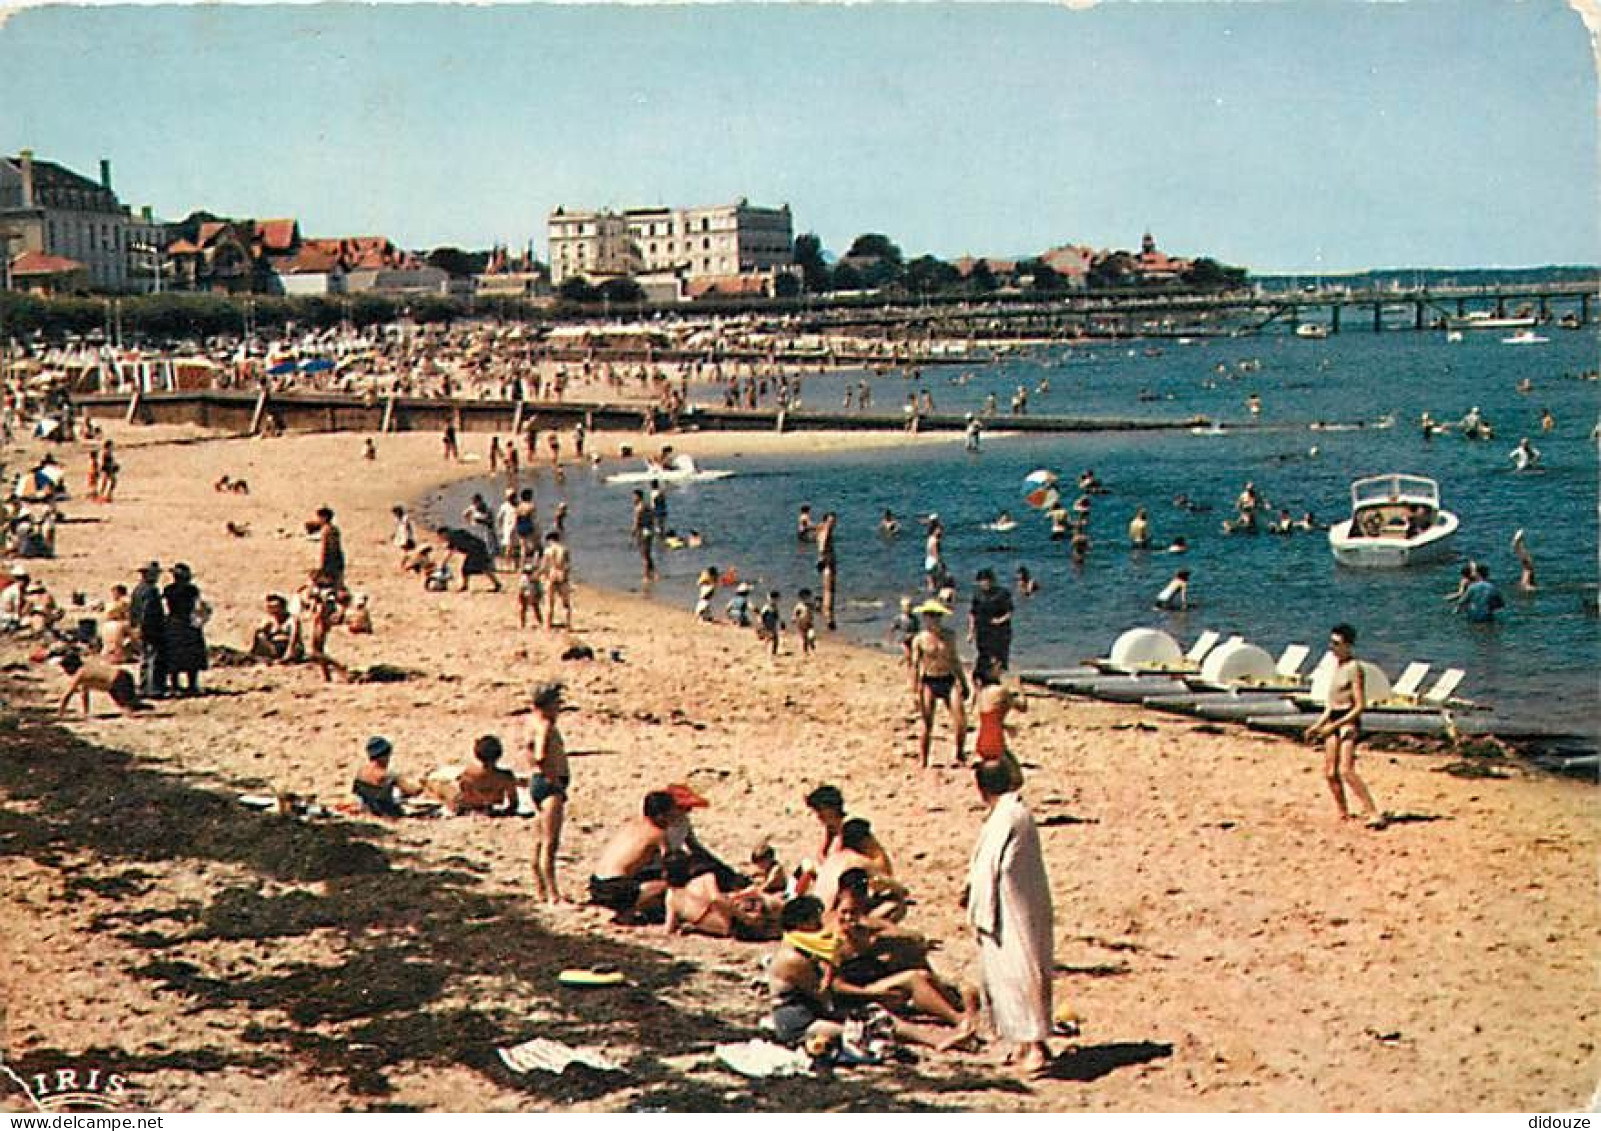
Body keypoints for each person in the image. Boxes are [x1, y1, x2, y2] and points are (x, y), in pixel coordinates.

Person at [965, 759, 1055, 1076]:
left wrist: (979, 903)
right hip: (1010, 904)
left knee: (1020, 971)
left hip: (1011, 907)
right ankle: (1021, 1041)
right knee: (1007, 975)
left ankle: (1035, 1046)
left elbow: (993, 867)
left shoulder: (1009, 816)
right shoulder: (1009, 814)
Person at [1304, 624, 1384, 828]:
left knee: (1347, 770)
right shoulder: (1335, 667)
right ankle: (1343, 812)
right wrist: (1318, 725)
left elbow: (1359, 706)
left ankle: (1373, 812)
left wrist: (1335, 726)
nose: (1332, 647)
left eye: (1337, 644)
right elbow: (1331, 706)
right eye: (1331, 643)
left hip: (1348, 720)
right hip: (1334, 718)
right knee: (1330, 772)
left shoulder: (1354, 668)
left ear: (1348, 645)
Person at [588, 790, 678, 922]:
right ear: (661, 815)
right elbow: (672, 865)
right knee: (670, 885)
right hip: (615, 888)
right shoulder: (658, 834)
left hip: (596, 884)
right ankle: (628, 912)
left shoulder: (633, 824)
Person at [524, 681, 571, 902]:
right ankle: (553, 892)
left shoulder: (531, 722)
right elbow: (541, 755)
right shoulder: (545, 726)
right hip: (549, 785)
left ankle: (540, 889)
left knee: (539, 839)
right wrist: (554, 779)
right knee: (550, 842)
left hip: (537, 782)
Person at [911, 600, 969, 768]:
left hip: (948, 679)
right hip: (929, 680)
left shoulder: (949, 636)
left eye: (937, 616)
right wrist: (915, 690)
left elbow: (955, 660)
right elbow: (914, 666)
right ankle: (924, 759)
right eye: (930, 616)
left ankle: (959, 753)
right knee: (927, 722)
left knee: (960, 719)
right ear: (925, 618)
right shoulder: (920, 639)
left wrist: (963, 682)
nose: (934, 619)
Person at [972, 655, 1027, 791]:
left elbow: (990, 717)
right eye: (995, 665)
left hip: (983, 739)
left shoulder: (981, 692)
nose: (999, 666)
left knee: (997, 781)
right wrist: (1020, 687)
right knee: (1015, 780)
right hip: (995, 741)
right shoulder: (1000, 691)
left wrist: (1005, 725)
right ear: (989, 671)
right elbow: (1022, 707)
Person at [162, 563, 208, 696]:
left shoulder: (168, 590)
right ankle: (192, 685)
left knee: (174, 656)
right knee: (192, 657)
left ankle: (175, 685)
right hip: (188, 623)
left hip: (172, 623)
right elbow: (199, 607)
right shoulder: (192, 590)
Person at [56, 651, 145, 717]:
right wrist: (85, 713)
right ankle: (139, 706)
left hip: (119, 679)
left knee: (129, 709)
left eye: (66, 668)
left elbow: (67, 694)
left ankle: (141, 708)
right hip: (115, 681)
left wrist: (60, 713)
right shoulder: (85, 671)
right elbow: (84, 694)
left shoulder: (80, 674)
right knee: (125, 706)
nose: (65, 672)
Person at [352, 735, 422, 818]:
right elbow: (413, 791)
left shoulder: (361, 772)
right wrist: (423, 783)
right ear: (384, 756)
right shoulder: (389, 776)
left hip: (368, 811)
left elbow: (356, 792)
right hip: (388, 813)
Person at [452, 735, 519, 816]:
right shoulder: (506, 777)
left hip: (472, 807)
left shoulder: (468, 774)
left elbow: (463, 794)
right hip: (492, 806)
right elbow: (513, 803)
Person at [968, 568, 1015, 677]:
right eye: (981, 581)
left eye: (986, 580)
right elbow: (972, 614)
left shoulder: (1002, 593)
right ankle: (983, 677)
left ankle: (998, 677)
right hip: (983, 630)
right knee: (984, 654)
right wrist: (971, 632)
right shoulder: (978, 596)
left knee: (1000, 655)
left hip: (1001, 630)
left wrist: (1000, 620)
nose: (984, 583)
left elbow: (1009, 612)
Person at [130, 561, 166, 697]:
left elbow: (133, 611)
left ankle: (144, 687)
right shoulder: (151, 591)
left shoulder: (137, 590)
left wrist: (135, 628)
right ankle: (154, 688)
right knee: (155, 658)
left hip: (139, 629)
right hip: (151, 629)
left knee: (145, 658)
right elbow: (147, 611)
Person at [435, 525, 501, 592]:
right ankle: (465, 586)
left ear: (444, 533)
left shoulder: (455, 536)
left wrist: (443, 563)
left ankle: (497, 584)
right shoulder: (454, 535)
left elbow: (454, 550)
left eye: (441, 536)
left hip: (476, 550)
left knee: (482, 568)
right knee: (469, 569)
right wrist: (444, 562)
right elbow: (451, 551)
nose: (442, 538)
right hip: (475, 551)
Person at [250, 593, 303, 662]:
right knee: (260, 635)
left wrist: (289, 652)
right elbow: (259, 634)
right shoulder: (268, 620)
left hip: (290, 646)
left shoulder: (292, 620)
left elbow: (294, 635)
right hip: (274, 647)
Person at [538, 529, 573, 630]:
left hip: (552, 574)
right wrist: (567, 576)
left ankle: (548, 625)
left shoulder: (548, 551)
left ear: (550, 540)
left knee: (549, 602)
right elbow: (567, 565)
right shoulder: (564, 549)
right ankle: (568, 625)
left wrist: (538, 574)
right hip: (562, 574)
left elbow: (544, 566)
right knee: (566, 603)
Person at [816, 511, 839, 630]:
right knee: (829, 591)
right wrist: (821, 558)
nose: (833, 524)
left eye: (834, 522)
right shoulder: (825, 532)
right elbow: (822, 546)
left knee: (828, 590)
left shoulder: (823, 530)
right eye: (831, 522)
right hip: (828, 565)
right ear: (826, 521)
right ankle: (829, 618)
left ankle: (826, 614)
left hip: (828, 564)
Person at [313, 506, 345, 588]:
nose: (317, 520)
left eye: (319, 517)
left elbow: (327, 549)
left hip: (331, 563)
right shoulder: (334, 529)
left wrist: (323, 566)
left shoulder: (326, 530)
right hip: (338, 561)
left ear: (324, 517)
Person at [517, 561, 544, 630]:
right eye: (526, 572)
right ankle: (522, 623)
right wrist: (521, 596)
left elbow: (540, 589)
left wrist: (539, 596)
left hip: (534, 594)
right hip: (525, 595)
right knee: (523, 609)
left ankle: (540, 622)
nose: (528, 574)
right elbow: (520, 589)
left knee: (536, 608)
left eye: (529, 572)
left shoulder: (536, 580)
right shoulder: (523, 579)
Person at [793, 588, 817, 655]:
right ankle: (805, 651)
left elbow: (817, 610)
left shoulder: (811, 605)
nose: (806, 599)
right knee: (804, 639)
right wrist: (794, 618)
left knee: (811, 636)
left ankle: (812, 648)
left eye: (808, 597)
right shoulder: (799, 606)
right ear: (801, 598)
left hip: (809, 623)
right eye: (804, 598)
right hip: (801, 624)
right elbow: (795, 613)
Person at [757, 590, 782, 656]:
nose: (776, 601)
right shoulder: (766, 607)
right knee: (769, 638)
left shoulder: (775, 607)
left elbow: (777, 616)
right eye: (775, 599)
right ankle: (766, 650)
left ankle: (774, 652)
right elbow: (761, 615)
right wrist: (761, 625)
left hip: (773, 625)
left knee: (776, 639)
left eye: (777, 599)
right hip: (767, 625)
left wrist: (780, 622)